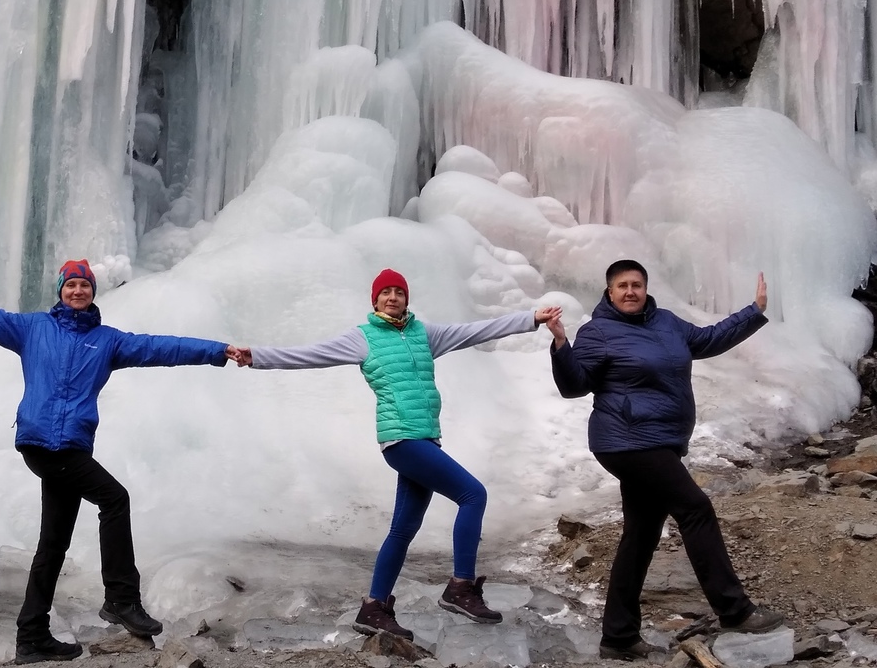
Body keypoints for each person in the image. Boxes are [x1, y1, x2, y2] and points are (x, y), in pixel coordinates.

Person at [0, 259, 244, 665]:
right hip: (42, 443)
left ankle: (32, 637)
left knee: (54, 543)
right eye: (71, 285)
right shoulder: (32, 328)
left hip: (73, 448)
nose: (78, 291)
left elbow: (162, 347)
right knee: (114, 499)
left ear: (93, 293)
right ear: (60, 290)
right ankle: (120, 599)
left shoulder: (108, 341)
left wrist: (219, 351)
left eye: (84, 286)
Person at [230, 268, 562, 640]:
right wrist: (256, 356)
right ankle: (460, 588)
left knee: (403, 529)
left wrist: (530, 318)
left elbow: (474, 331)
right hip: (402, 441)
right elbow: (311, 354)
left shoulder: (425, 334)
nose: (392, 297)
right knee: (473, 495)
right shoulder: (363, 339)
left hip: (425, 439)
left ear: (406, 299)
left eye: (398, 292)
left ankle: (373, 608)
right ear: (374, 301)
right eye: (385, 293)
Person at [547, 259, 785, 661]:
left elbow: (708, 339)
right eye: (621, 285)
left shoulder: (668, 323)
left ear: (645, 288)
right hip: (627, 440)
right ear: (609, 292)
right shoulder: (598, 332)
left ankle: (619, 637)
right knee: (695, 508)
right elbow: (574, 386)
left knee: (641, 534)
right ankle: (734, 610)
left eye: (636, 284)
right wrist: (560, 345)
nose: (629, 291)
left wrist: (753, 311)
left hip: (660, 440)